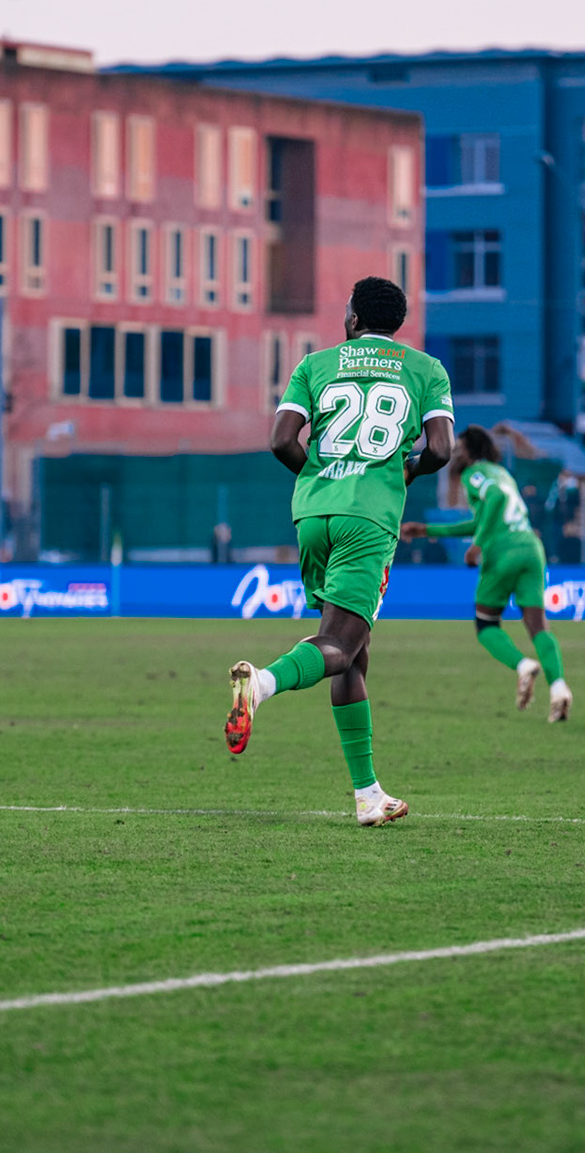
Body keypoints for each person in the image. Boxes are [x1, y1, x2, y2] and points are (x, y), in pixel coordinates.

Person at [223, 277, 452, 828]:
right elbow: (442, 449)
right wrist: (407, 471)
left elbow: (281, 440)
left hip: (312, 515)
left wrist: (322, 479)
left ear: (352, 318)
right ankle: (261, 683)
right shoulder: (426, 370)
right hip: (368, 519)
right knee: (339, 645)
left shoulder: (315, 365)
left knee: (354, 652)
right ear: (396, 323)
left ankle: (368, 795)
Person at [401, 425, 573, 722]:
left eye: (459, 447)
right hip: (531, 547)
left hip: (502, 550)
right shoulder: (502, 473)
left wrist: (477, 545)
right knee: (537, 626)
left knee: (486, 624)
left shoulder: (474, 473)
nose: (455, 452)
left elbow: (494, 499)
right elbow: (479, 520)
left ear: (471, 451)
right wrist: (426, 530)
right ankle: (559, 687)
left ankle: (523, 666)